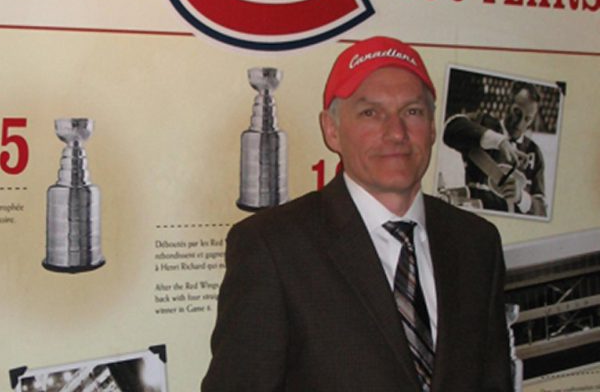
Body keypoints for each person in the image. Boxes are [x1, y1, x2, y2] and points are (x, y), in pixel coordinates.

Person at [201, 36, 513, 392]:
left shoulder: (477, 243)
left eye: (412, 112)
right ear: (331, 130)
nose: (395, 133)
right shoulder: (272, 247)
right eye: (370, 113)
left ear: (431, 129)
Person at [443, 80, 547, 217]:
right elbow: (450, 129)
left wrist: (521, 198)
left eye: (527, 119)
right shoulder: (485, 123)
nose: (520, 123)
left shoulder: (534, 152)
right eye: (517, 112)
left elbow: (542, 211)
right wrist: (499, 141)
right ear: (508, 104)